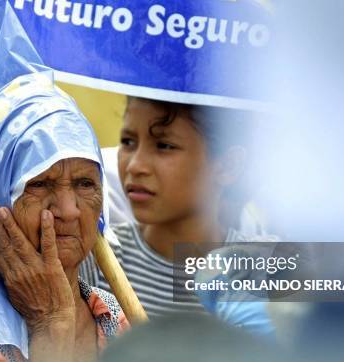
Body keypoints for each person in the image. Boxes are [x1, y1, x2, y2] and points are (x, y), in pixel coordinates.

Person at [0, 4, 127, 362]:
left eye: (85, 184)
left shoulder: (109, 314)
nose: (68, 209)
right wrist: (50, 326)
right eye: (41, 184)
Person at [80, 97, 274, 335]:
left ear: (228, 166)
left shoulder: (262, 269)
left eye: (164, 145)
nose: (135, 165)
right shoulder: (96, 260)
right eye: (128, 142)